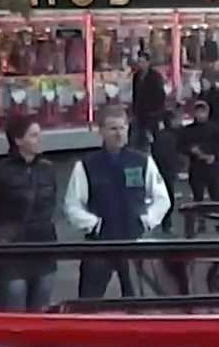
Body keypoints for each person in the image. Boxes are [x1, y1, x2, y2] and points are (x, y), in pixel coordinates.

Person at [64, 106, 171, 299]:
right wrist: (94, 225)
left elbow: (162, 199)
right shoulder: (86, 165)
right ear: (101, 131)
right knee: (89, 300)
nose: (119, 133)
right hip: (100, 244)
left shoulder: (142, 161)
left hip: (134, 242)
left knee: (137, 300)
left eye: (122, 128)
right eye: (113, 129)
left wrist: (146, 221)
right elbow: (73, 205)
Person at [0, 115, 59, 312]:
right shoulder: (0, 173)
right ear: (18, 140)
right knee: (14, 310)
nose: (39, 140)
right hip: (13, 253)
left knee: (41, 311)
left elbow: (52, 201)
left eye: (40, 135)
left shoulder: (47, 169)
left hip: (44, 249)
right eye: (34, 135)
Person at [182, 101, 219, 202]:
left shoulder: (216, 128)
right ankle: (199, 217)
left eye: (203, 112)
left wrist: (214, 156)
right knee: (198, 199)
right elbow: (181, 146)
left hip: (213, 168)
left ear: (208, 113)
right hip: (197, 169)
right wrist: (191, 150)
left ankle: (217, 216)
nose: (200, 114)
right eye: (198, 112)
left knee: (216, 198)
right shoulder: (188, 130)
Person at [151, 111, 182, 234]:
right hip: (167, 171)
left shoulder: (161, 135)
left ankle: (164, 223)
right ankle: (166, 224)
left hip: (162, 170)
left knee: (163, 197)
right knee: (168, 198)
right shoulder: (172, 136)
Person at [130, 52, 167, 150]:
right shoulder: (137, 76)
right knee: (136, 139)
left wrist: (158, 115)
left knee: (149, 139)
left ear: (148, 62)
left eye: (143, 62)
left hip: (151, 114)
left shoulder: (155, 77)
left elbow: (160, 96)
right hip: (139, 113)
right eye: (139, 62)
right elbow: (135, 95)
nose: (140, 64)